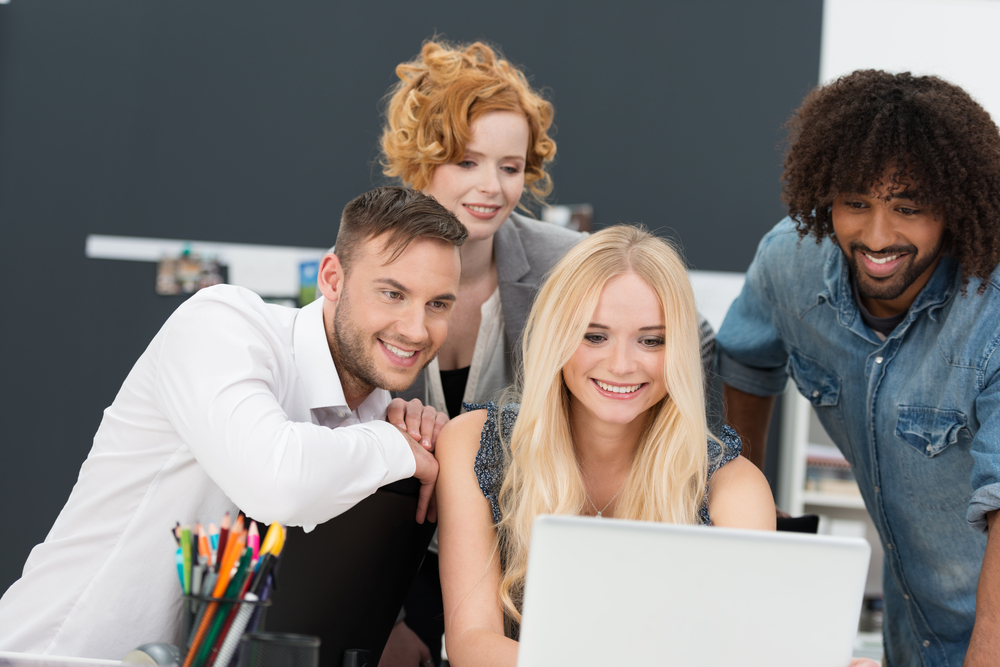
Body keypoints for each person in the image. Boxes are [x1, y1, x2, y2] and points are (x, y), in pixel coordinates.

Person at [0, 187, 466, 659]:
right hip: (58, 653)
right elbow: (277, 483)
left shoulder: (376, 415)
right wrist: (393, 445)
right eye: (392, 294)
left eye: (438, 304)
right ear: (332, 278)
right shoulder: (222, 324)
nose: (416, 329)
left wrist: (403, 438)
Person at [378, 42, 719, 663]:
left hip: (516, 557)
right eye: (467, 161)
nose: (491, 187)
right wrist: (385, 621)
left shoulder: (563, 261)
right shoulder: (371, 267)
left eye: (510, 167)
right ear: (422, 160)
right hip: (401, 554)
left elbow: (687, 331)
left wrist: (699, 452)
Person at [716, 70, 1000, 666]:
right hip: (914, 618)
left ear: (953, 207)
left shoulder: (992, 309)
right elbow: (744, 359)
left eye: (908, 207)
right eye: (855, 203)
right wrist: (749, 499)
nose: (876, 236)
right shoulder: (790, 263)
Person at [435, 225, 776, 667]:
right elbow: (471, 644)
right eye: (594, 336)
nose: (621, 365)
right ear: (556, 337)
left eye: (651, 340)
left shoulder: (735, 488)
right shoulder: (473, 442)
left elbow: (744, 654)